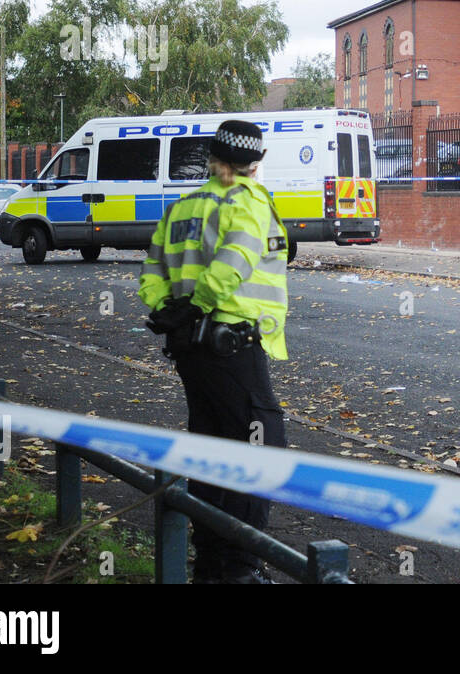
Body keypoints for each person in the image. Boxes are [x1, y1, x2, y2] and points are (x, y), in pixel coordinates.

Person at [138, 120, 290, 584]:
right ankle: (239, 570)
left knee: (209, 448)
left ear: (212, 155)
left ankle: (210, 566)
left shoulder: (184, 205)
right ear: (255, 162)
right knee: (262, 447)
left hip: (191, 350)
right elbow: (237, 261)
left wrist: (169, 308)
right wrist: (198, 305)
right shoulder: (247, 199)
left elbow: (151, 268)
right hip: (231, 344)